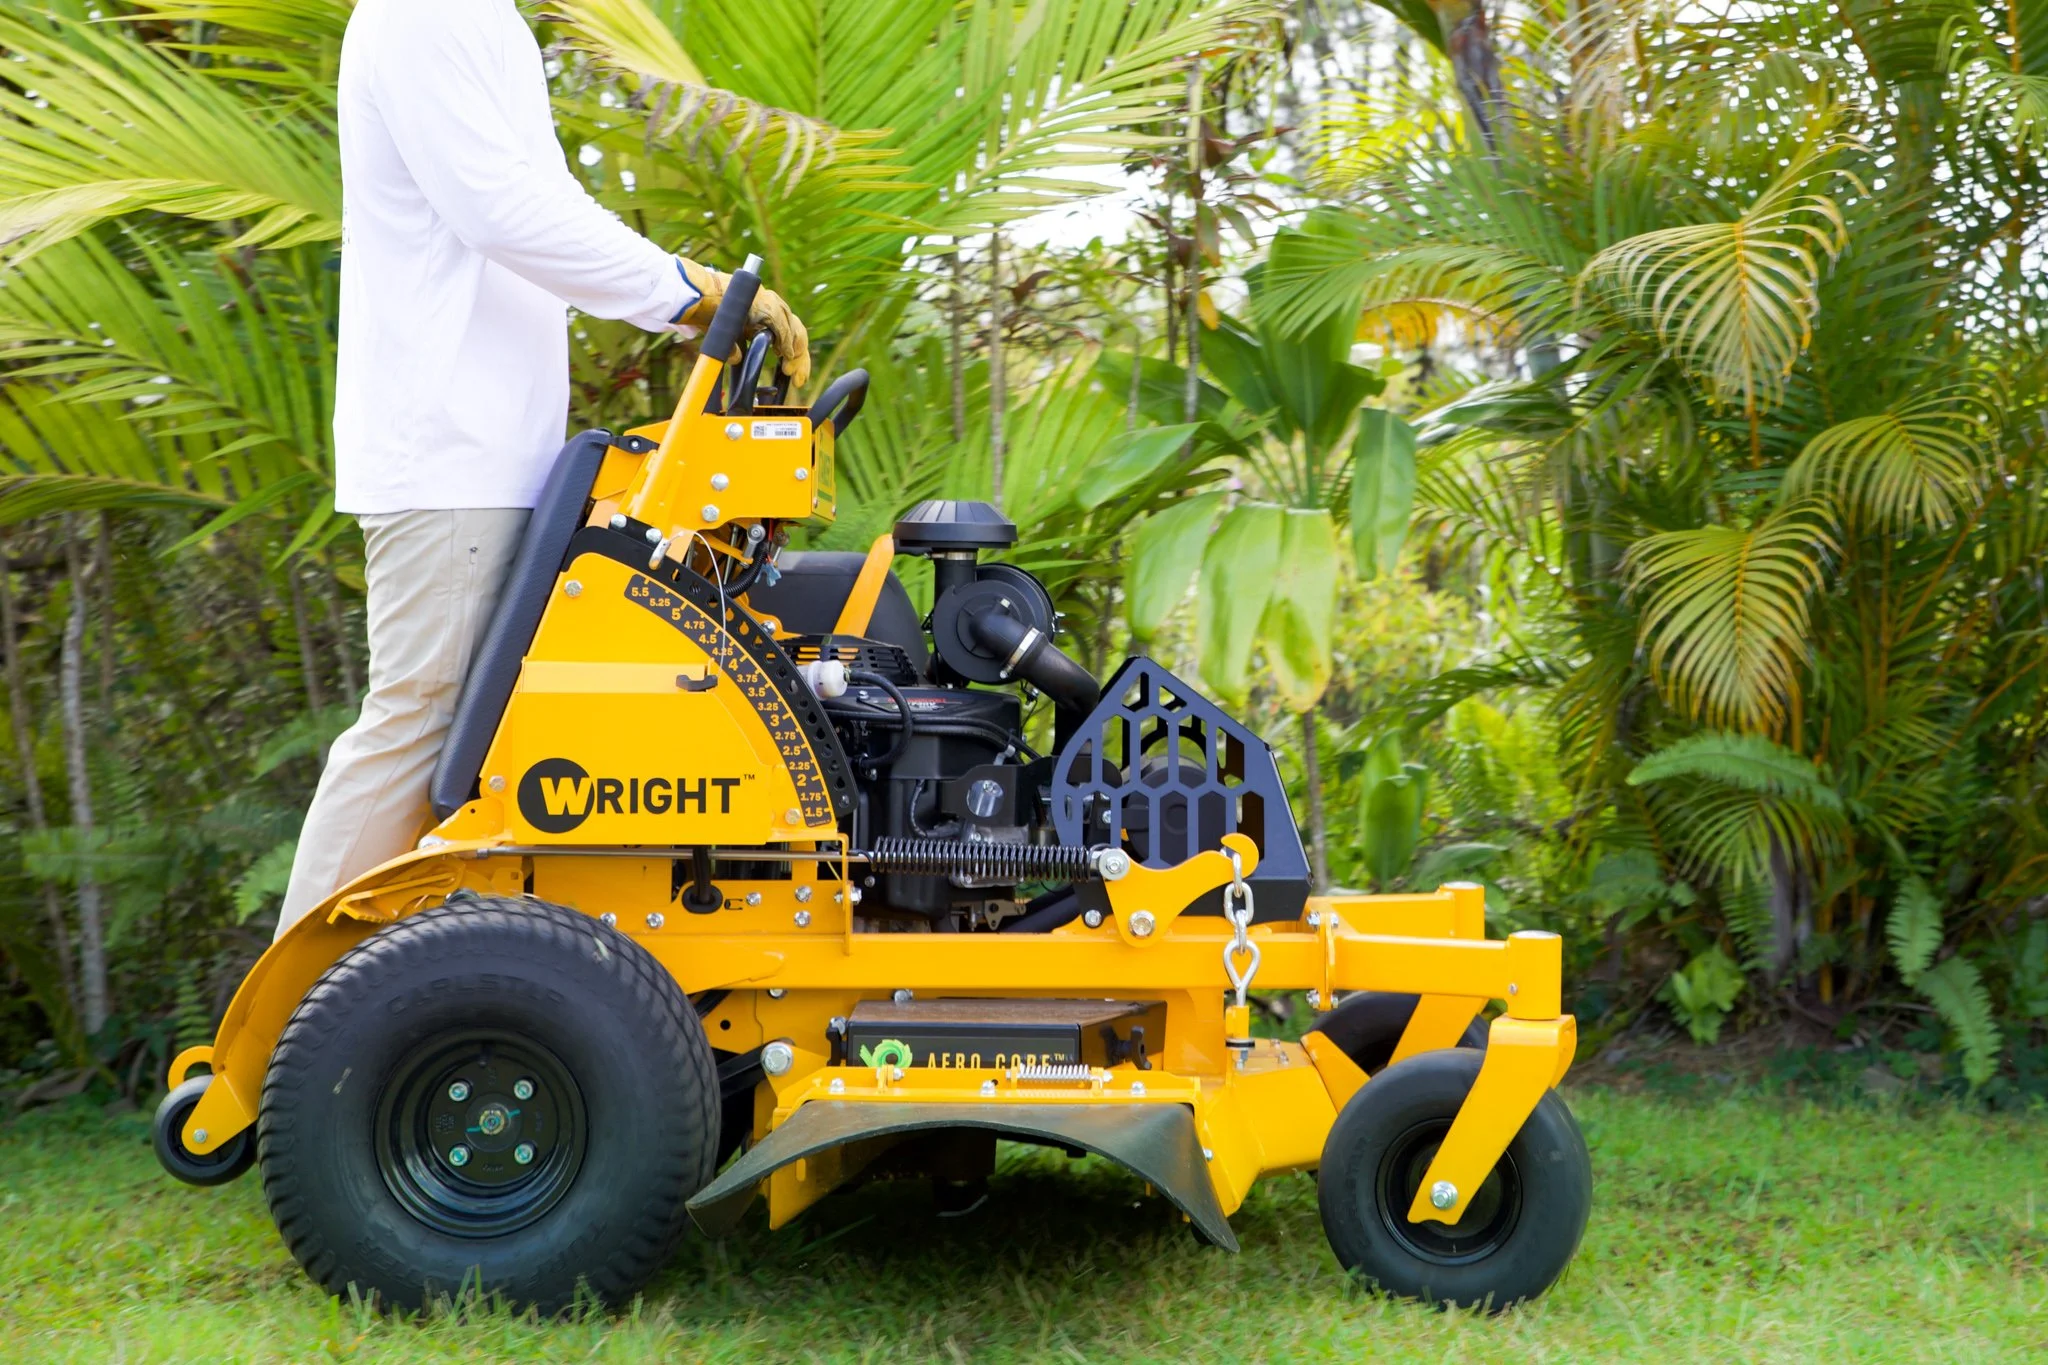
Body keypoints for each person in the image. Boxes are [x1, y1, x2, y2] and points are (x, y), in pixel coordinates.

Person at [274, 0, 810, 939]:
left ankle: (382, 1011)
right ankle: (282, 1044)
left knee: (473, 751)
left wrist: (685, 297)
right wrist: (687, 292)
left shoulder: (485, 23)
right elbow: (500, 210)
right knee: (421, 722)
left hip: (497, 455)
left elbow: (546, 206)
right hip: (450, 455)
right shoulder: (421, 14)